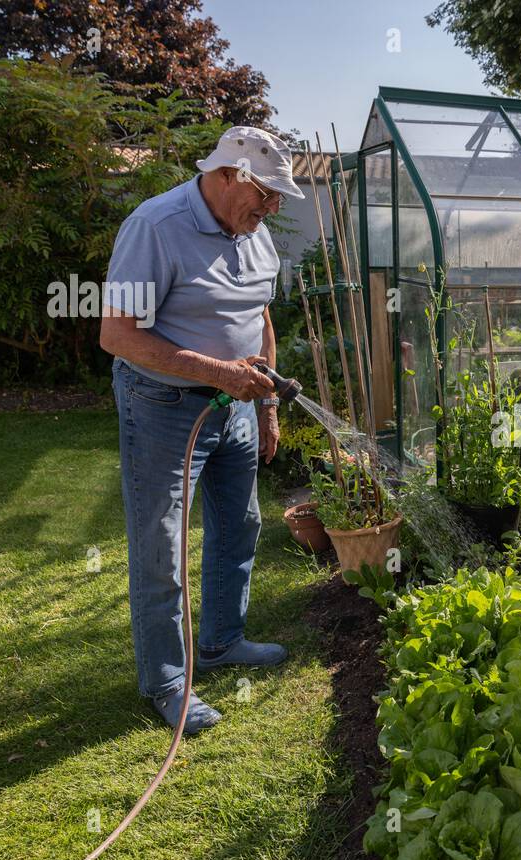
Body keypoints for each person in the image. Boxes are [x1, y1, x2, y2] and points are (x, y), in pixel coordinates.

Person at [99, 127, 306, 733]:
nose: (271, 209)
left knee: (240, 524)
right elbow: (118, 336)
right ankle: (167, 683)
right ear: (228, 176)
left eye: (275, 200)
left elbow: (258, 314)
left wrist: (264, 405)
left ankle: (221, 640)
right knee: (163, 547)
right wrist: (219, 371)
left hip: (236, 407)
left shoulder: (257, 235)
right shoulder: (156, 226)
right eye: (264, 195)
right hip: (163, 407)